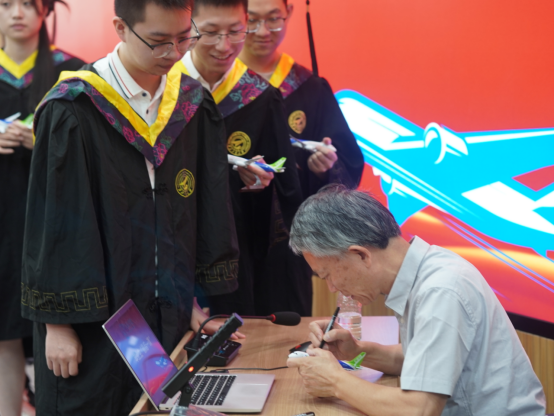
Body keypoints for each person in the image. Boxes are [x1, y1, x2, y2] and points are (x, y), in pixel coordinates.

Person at [21, 0, 241, 414]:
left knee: (163, 405)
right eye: (159, 41)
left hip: (167, 312)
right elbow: (53, 223)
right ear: (121, 27)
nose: (174, 54)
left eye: (184, 38)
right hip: (94, 318)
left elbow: (199, 207)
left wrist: (192, 299)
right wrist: (57, 324)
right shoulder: (75, 106)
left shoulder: (190, 103)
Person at [287, 185, 546, 416]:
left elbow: (420, 409)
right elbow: (419, 360)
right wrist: (356, 352)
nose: (332, 288)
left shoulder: (440, 291)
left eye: (327, 275)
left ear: (361, 255)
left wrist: (335, 381)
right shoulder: (424, 269)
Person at [177, 0, 305, 316]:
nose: (225, 46)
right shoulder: (163, 89)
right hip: (172, 248)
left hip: (237, 253)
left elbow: (286, 184)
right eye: (210, 32)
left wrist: (263, 183)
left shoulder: (260, 97)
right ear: (188, 28)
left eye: (236, 31)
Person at [238, 0, 365, 316]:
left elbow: (347, 160)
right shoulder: (218, 86)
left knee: (288, 324)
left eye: (274, 19)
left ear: (290, 12)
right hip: (232, 235)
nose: (263, 31)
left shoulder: (309, 87)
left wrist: (324, 168)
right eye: (251, 21)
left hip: (288, 244)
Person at [0, 1, 84, 415]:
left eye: (28, 4)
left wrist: (46, 140)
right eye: (5, 4)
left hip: (55, 219)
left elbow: (92, 147)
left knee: (59, 326)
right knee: (3, 332)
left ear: (46, 10)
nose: (17, 13)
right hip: (2, 219)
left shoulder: (73, 73)